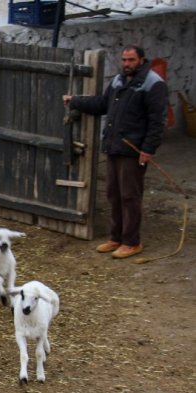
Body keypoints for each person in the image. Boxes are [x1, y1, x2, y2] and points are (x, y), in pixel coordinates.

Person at [63, 45, 168, 259]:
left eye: (131, 60)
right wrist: (76, 100)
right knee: (114, 194)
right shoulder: (119, 80)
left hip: (133, 149)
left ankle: (132, 241)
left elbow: (157, 121)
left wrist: (148, 149)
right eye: (124, 60)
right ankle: (116, 237)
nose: (127, 64)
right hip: (114, 146)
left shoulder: (153, 83)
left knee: (130, 195)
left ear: (141, 60)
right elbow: (102, 104)